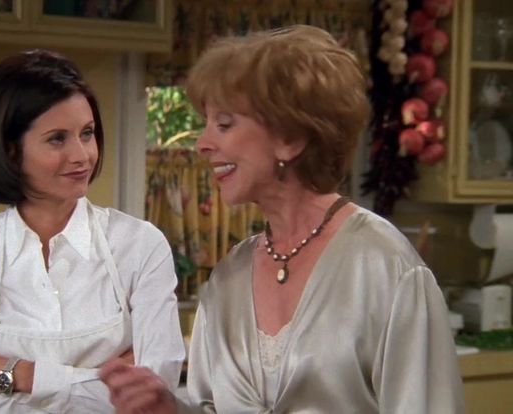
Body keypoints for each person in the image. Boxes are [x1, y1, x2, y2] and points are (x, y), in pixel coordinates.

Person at [101, 25, 464, 413]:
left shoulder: (384, 265)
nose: (202, 144)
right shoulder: (227, 279)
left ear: (289, 138)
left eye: (224, 124)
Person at [0, 49, 185, 413]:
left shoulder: (140, 245)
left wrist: (21, 375)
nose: (82, 156)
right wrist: (100, 378)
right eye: (57, 139)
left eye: (87, 133)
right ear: (11, 150)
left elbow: (156, 389)